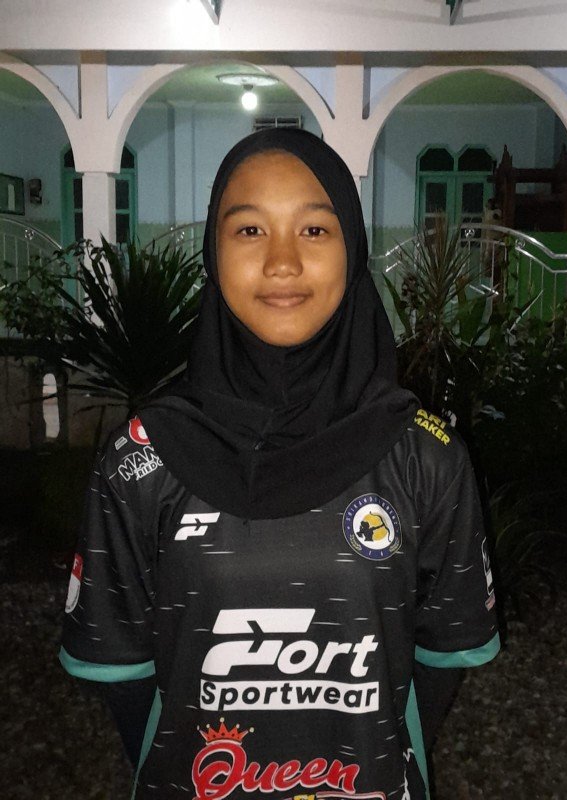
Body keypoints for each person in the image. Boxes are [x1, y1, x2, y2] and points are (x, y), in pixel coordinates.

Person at [60, 128, 499, 800]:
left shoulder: (424, 456)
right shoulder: (142, 458)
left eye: (315, 230)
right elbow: (121, 673)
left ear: (353, 249)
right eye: (249, 231)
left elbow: (443, 659)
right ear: (214, 253)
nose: (283, 263)